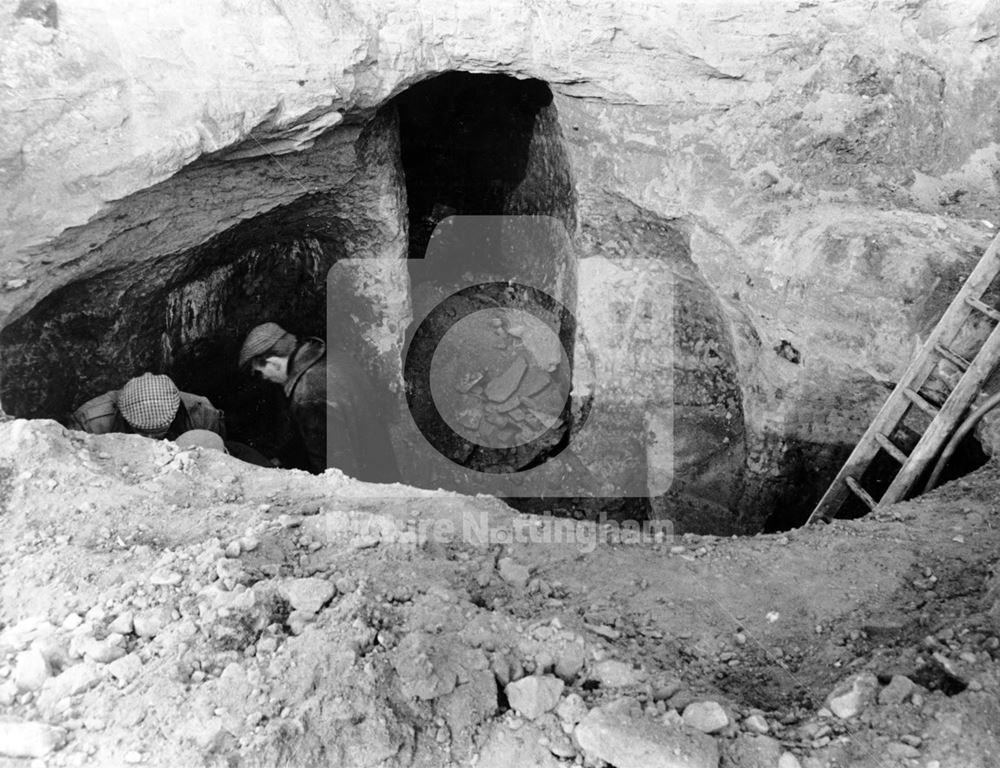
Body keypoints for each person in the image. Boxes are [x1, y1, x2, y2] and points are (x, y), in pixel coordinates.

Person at [238, 322, 400, 483]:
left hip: (363, 489)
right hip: (385, 472)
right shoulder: (336, 357)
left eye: (261, 372)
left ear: (273, 362)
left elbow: (332, 465)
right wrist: (283, 458)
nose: (265, 378)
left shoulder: (307, 393)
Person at [68, 372, 224, 439]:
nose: (151, 441)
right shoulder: (91, 422)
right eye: (143, 432)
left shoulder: (202, 413)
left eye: (159, 433)